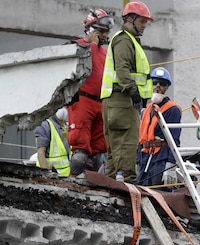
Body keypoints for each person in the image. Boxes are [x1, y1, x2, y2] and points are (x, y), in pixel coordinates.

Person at [101, 1, 153, 184]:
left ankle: (112, 181)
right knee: (127, 141)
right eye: (142, 21)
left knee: (116, 144)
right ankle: (128, 182)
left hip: (117, 99)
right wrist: (134, 92)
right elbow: (122, 70)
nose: (145, 25)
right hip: (121, 99)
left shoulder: (127, 40)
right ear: (130, 19)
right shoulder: (124, 40)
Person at [68, 9, 113, 176]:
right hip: (82, 101)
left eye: (105, 32)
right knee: (80, 151)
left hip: (101, 103)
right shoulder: (77, 47)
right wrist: (92, 44)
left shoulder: (106, 53)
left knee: (97, 153)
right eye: (100, 31)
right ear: (91, 30)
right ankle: (73, 184)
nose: (104, 35)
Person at [137, 67, 181, 187]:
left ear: (167, 87)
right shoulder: (147, 110)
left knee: (160, 194)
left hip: (161, 158)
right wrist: (137, 160)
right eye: (155, 82)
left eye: (162, 84)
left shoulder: (172, 109)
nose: (158, 86)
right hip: (144, 158)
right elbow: (141, 137)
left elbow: (174, 138)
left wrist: (171, 165)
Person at [35, 108, 71, 177]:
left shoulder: (66, 125)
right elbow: (41, 152)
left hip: (66, 176)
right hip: (52, 176)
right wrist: (45, 174)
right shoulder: (45, 125)